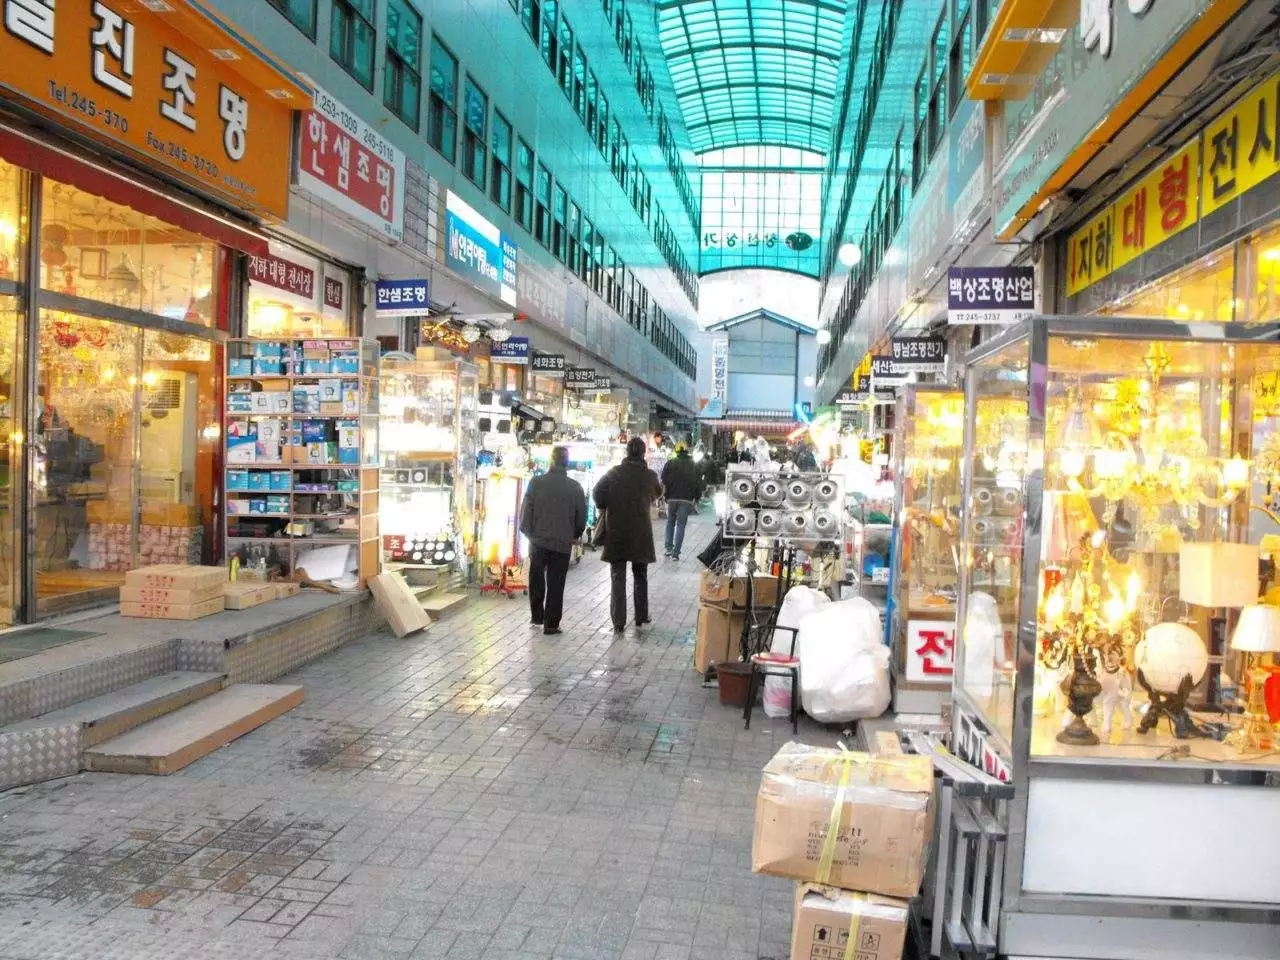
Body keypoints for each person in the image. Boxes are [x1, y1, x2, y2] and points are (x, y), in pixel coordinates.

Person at [594, 436, 663, 632]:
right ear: (643, 453)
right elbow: (657, 493)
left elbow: (597, 494)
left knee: (618, 575)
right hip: (640, 532)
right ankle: (641, 615)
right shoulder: (649, 476)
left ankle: (618, 621)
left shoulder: (613, 473)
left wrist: (607, 504)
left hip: (617, 530)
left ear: (626, 452)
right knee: (640, 574)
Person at [519, 445, 587, 635]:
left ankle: (537, 617)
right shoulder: (575, 487)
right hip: (562, 543)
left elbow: (526, 511)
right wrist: (574, 535)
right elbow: (581, 517)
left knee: (536, 578)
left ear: (551, 460)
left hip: (538, 541)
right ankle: (551, 624)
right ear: (567, 463)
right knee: (557, 583)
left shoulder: (535, 483)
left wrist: (529, 533)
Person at [660, 443, 703, 561]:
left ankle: (668, 548)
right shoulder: (693, 464)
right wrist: (697, 498)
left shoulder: (670, 463)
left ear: (676, 451)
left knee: (670, 522)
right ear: (687, 451)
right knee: (681, 525)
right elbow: (698, 483)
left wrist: (665, 495)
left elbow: (663, 479)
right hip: (686, 499)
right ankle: (676, 554)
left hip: (672, 499)